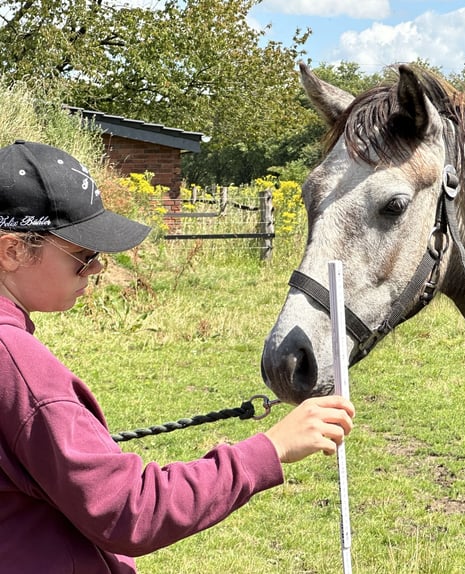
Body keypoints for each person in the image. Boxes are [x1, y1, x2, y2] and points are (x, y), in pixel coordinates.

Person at [0, 140, 355, 573]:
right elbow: (130, 510)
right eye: (83, 255)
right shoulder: (20, 368)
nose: (97, 269)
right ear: (12, 250)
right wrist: (271, 449)